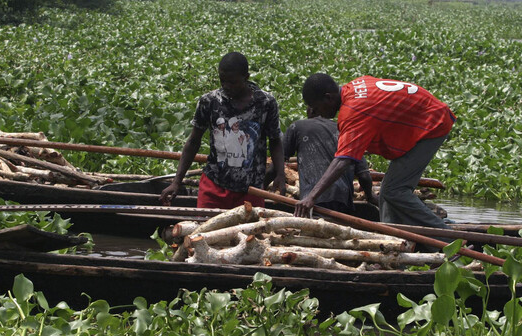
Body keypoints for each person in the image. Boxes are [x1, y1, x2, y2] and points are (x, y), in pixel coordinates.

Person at [294, 73, 455, 230]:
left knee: (394, 191)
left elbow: (343, 160)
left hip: (432, 124)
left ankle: (450, 242)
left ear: (328, 98)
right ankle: (393, 237)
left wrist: (311, 197)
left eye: (316, 107)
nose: (316, 114)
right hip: (425, 119)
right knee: (388, 192)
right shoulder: (354, 86)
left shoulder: (353, 111)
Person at [160, 52, 285, 208]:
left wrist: (280, 173)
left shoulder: (265, 102)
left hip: (251, 189)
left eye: (232, 82)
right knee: (204, 230)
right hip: (215, 184)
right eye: (222, 80)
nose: (226, 86)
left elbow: (274, 141)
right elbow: (193, 141)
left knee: (250, 231)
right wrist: (176, 181)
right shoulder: (210, 101)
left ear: (246, 77)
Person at [283, 106, 377, 215]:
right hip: (343, 200)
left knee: (314, 228)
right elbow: (364, 176)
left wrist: (264, 187)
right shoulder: (347, 132)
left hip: (312, 199)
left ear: (312, 109)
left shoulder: (298, 126)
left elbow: (278, 163)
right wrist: (370, 196)